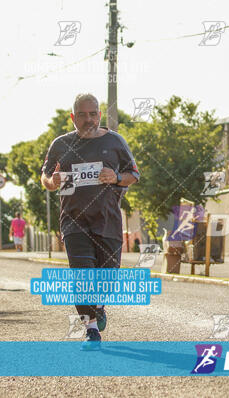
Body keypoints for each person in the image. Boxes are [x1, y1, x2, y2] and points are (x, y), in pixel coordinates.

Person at [41, 93, 140, 350]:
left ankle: (98, 305)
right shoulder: (60, 144)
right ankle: (91, 330)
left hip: (107, 220)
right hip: (74, 222)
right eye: (82, 115)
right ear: (73, 117)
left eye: (93, 114)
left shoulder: (115, 141)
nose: (88, 120)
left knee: (107, 279)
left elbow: (133, 175)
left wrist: (116, 176)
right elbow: (45, 177)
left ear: (99, 114)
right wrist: (53, 182)